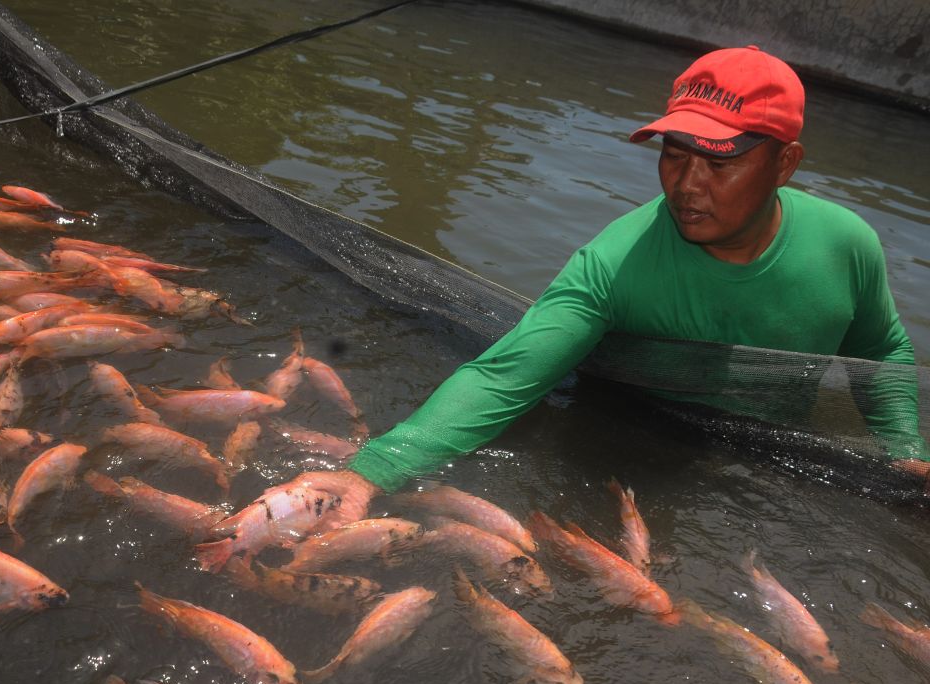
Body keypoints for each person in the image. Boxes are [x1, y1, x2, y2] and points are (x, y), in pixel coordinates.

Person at [288, 45, 929, 515]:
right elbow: (503, 374)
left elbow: (883, 354)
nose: (687, 184)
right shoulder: (614, 264)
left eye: (720, 162)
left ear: (786, 164)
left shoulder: (848, 246)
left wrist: (901, 450)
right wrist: (374, 470)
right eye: (673, 154)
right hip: (633, 447)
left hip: (770, 457)